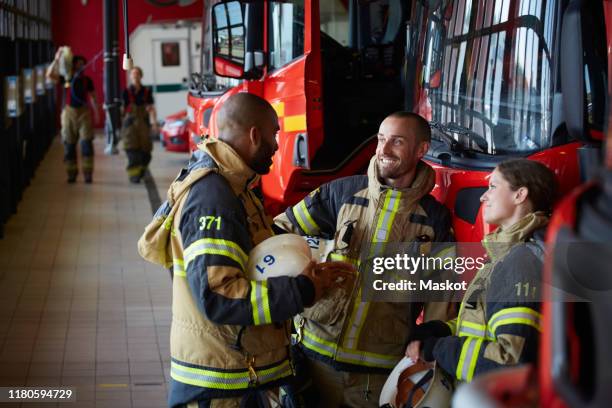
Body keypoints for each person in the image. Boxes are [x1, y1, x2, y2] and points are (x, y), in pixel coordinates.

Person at [140, 93, 353, 407]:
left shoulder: (233, 186)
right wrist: (302, 290)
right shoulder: (213, 197)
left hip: (234, 371)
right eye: (274, 135)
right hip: (220, 382)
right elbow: (219, 295)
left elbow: (254, 257)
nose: (278, 146)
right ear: (255, 135)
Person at [274, 111, 456, 407]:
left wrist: (428, 351)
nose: (383, 150)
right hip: (314, 363)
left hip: (376, 377)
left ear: (421, 150)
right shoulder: (341, 193)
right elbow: (280, 232)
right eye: (381, 139)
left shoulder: (434, 219)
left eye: (396, 142)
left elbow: (441, 298)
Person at [405, 159, 556, 384]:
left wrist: (439, 348)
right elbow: (482, 325)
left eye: (493, 187)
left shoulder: (520, 263)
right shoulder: (502, 257)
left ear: (520, 195)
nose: (482, 197)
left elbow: (510, 361)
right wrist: (442, 329)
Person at [46, 48, 99, 183]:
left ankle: (88, 174)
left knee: (86, 143)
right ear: (73, 64)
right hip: (68, 113)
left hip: (84, 113)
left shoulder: (87, 80)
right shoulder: (66, 79)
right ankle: (71, 173)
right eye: (78, 63)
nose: (80, 65)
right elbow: (49, 75)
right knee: (69, 144)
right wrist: (57, 60)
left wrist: (97, 112)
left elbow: (93, 97)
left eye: (82, 63)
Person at [121, 66, 158, 183]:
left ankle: (141, 170)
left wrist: (154, 123)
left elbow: (151, 108)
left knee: (146, 152)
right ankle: (133, 176)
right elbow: (122, 109)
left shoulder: (147, 91)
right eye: (133, 74)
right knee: (131, 150)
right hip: (130, 125)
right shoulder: (126, 92)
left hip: (143, 124)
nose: (135, 76)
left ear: (141, 76)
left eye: (137, 73)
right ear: (131, 76)